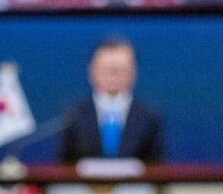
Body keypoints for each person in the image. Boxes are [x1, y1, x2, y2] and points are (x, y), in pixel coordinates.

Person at [50, 36, 167, 165]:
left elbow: (157, 166)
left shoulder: (149, 117)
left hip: (135, 184)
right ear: (92, 71)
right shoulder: (74, 115)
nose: (112, 75)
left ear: (133, 72)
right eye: (106, 69)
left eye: (119, 69)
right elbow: (62, 164)